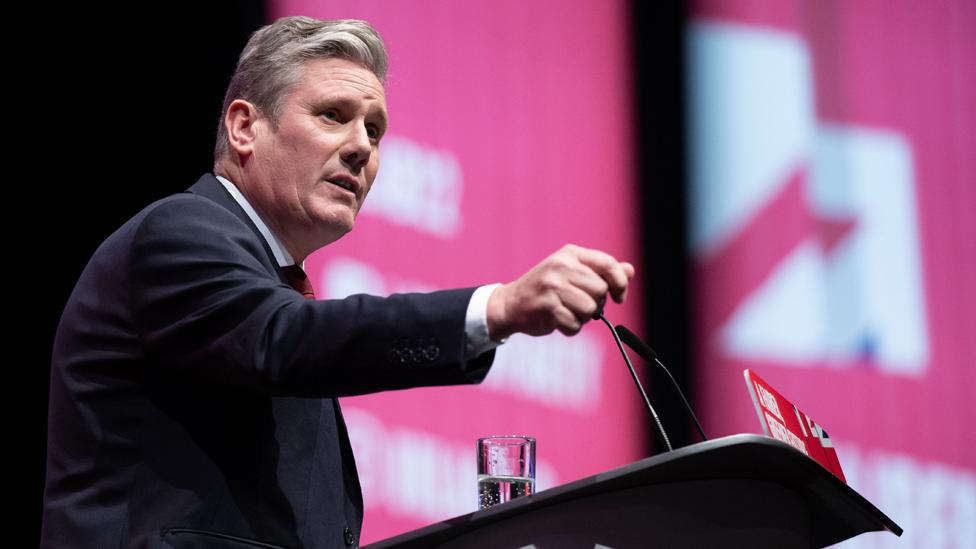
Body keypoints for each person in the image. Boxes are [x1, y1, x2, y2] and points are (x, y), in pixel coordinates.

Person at [41, 16, 633, 549]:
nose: (361, 148)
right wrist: (496, 307)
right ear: (245, 126)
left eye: (375, 131)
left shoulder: (274, 286)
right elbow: (285, 339)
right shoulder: (180, 232)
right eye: (334, 116)